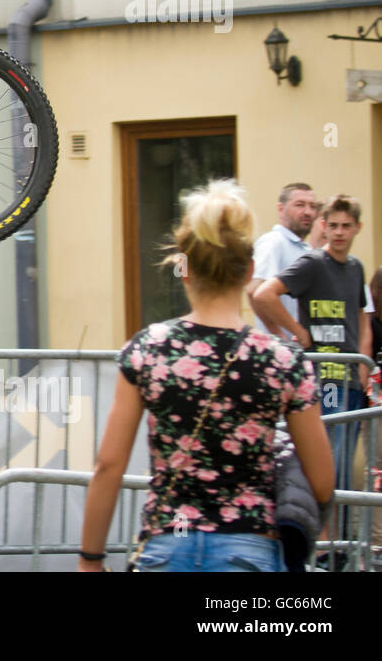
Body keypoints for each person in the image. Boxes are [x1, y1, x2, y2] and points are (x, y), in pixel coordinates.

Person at [79, 179, 333, 572]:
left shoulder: (149, 348)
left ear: (183, 268)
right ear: (250, 270)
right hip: (250, 547)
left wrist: (90, 559)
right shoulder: (283, 360)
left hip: (169, 540)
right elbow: (321, 482)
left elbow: (109, 466)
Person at [253, 195, 373, 508]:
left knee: (345, 463)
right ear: (323, 226)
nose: (338, 232)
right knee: (326, 462)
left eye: (346, 226)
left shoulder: (356, 268)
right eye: (332, 225)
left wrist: (363, 362)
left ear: (357, 228)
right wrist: (296, 331)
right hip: (322, 378)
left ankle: (339, 546)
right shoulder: (313, 263)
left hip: (349, 377)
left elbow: (361, 312)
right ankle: (322, 546)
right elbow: (264, 294)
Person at [245, 182, 317, 334]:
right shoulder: (274, 242)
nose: (308, 212)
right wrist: (277, 335)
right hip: (281, 352)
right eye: (300, 205)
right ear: (281, 209)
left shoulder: (307, 249)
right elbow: (253, 290)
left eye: (312, 206)